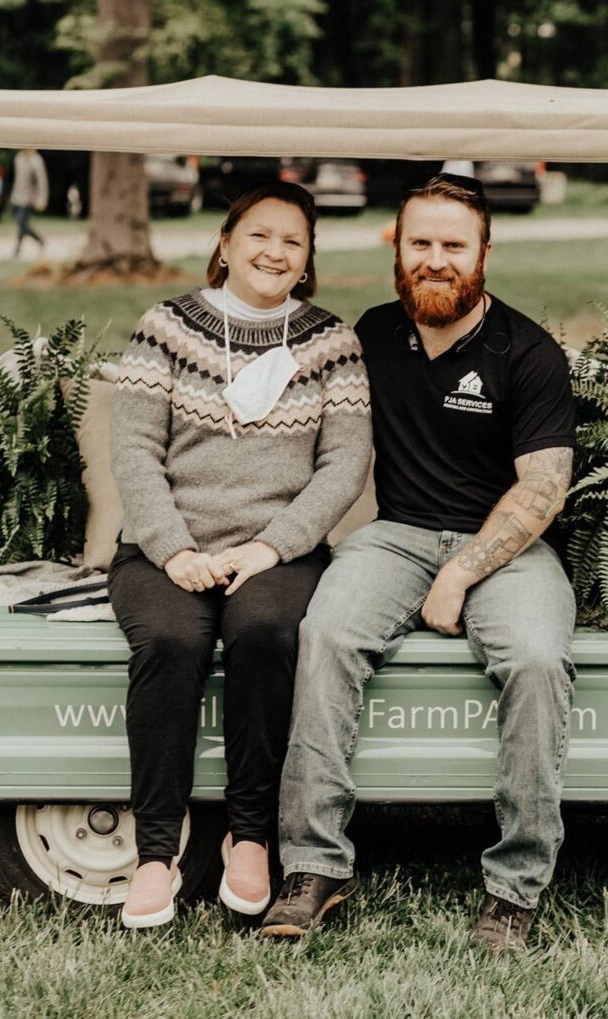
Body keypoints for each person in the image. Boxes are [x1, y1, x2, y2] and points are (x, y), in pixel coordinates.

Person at [261, 174, 577, 952]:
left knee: (537, 659)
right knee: (326, 634)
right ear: (395, 248)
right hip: (395, 534)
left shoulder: (527, 352)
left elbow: (543, 490)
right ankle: (314, 866)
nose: (436, 260)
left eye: (453, 246)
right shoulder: (367, 334)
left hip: (507, 548)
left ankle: (515, 887)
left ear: (485, 253)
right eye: (420, 243)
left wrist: (463, 569)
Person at [108, 181, 372, 929]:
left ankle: (249, 833)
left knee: (262, 632)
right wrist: (173, 549)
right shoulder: (166, 327)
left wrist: (273, 545)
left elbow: (344, 466)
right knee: (170, 636)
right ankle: (156, 849)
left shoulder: (331, 342)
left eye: (293, 240)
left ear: (308, 259)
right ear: (226, 242)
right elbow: (132, 447)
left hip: (278, 551)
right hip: (165, 548)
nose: (274, 251)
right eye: (259, 234)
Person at [10, 149, 48, 256]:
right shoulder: (19, 158)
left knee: (21, 222)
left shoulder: (37, 160)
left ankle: (18, 248)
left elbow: (42, 181)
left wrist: (42, 199)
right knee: (21, 224)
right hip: (16, 196)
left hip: (28, 198)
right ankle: (39, 240)